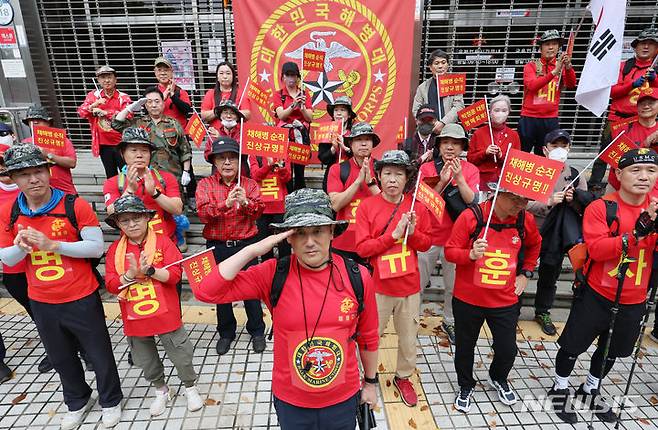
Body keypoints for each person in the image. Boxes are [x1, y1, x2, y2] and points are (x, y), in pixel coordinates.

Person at [191, 188, 379, 430]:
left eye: (318, 231)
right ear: (287, 237)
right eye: (299, 233)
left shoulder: (357, 276)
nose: (310, 242)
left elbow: (369, 337)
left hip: (342, 399)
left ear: (332, 231)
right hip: (292, 402)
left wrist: (371, 383)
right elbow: (205, 291)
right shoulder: (272, 274)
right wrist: (251, 250)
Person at [0, 144, 123, 429]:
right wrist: (23, 249)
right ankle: (77, 400)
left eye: (38, 171)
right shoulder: (9, 211)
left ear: (48, 171)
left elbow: (94, 248)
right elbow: (6, 257)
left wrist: (53, 245)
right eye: (24, 174)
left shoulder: (73, 204)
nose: (33, 179)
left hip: (81, 294)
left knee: (98, 352)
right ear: (13, 179)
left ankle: (110, 399)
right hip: (41, 299)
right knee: (60, 355)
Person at [548, 148, 658, 424]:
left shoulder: (656, 208)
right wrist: (636, 232)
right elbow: (597, 250)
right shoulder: (602, 207)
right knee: (573, 346)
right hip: (597, 293)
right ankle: (559, 387)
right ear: (619, 174)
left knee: (612, 350)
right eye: (636, 170)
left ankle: (590, 388)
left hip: (634, 298)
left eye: (651, 171)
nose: (643, 177)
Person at [445, 183, 541, 413]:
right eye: (516, 199)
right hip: (468, 299)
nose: (521, 205)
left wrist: (526, 273)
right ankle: (466, 384)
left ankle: (498, 377)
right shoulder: (471, 217)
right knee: (465, 347)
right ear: (497, 194)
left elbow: (536, 244)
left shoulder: (523, 219)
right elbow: (449, 251)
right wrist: (469, 254)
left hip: (505, 299)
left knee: (507, 349)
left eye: (526, 200)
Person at [104, 195, 203, 416]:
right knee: (146, 359)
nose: (132, 224)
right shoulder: (114, 251)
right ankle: (161, 390)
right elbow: (111, 285)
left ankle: (190, 387)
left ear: (147, 218)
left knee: (181, 353)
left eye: (136, 217)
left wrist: (150, 270)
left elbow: (176, 276)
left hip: (166, 312)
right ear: (118, 224)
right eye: (125, 220)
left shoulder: (163, 242)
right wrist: (129, 275)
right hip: (135, 316)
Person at [355, 150, 432, 407]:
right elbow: (362, 249)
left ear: (407, 178)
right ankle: (368, 377)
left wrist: (413, 232)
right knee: (371, 335)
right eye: (387, 173)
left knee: (408, 338)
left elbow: (426, 243)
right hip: (378, 287)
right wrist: (393, 235)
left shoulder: (415, 206)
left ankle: (404, 376)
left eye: (399, 174)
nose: (392, 179)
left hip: (409, 287)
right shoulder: (368, 206)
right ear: (377, 176)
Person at [195, 137, 267, 356]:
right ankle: (226, 333)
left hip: (246, 245)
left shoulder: (249, 184)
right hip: (218, 246)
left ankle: (257, 331)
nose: (227, 162)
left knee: (252, 290)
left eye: (232, 158)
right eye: (221, 158)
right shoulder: (205, 185)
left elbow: (259, 212)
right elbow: (203, 214)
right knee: (220, 290)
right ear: (214, 162)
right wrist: (225, 204)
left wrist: (246, 202)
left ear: (239, 161)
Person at [418, 124, 479, 344]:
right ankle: (412, 319)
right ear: (439, 145)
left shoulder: (471, 170)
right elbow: (423, 204)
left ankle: (449, 320)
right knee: (418, 283)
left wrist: (459, 177)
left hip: (457, 240)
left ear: (463, 146)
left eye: (455, 143)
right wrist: (442, 181)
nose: (450, 147)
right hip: (429, 236)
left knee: (453, 286)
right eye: (445, 142)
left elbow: (473, 202)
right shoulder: (426, 169)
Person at [527, 129, 590, 336]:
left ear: (569, 148)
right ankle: (511, 308)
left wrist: (575, 200)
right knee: (519, 269)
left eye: (564, 146)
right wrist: (547, 201)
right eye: (555, 146)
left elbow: (587, 208)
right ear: (545, 149)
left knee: (550, 273)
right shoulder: (532, 170)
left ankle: (542, 311)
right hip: (531, 229)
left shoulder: (575, 175)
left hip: (557, 233)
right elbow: (520, 202)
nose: (559, 150)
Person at [589, 28, 658, 191]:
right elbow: (611, 91)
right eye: (642, 43)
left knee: (640, 156)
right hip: (616, 119)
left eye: (650, 44)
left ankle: (636, 186)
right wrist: (631, 84)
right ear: (635, 47)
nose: (646, 47)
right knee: (605, 153)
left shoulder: (655, 71)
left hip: (641, 122)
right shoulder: (623, 66)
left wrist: (655, 81)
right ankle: (594, 187)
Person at [103, 128, 184, 243]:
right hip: (132, 244)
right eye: (133, 150)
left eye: (144, 151)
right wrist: (129, 191)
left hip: (165, 241)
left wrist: (155, 193)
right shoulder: (113, 182)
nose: (139, 155)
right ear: (122, 154)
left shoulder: (165, 178)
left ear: (150, 154)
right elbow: (111, 212)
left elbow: (177, 209)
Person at [112, 86, 192, 188]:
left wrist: (186, 171)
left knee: (174, 202)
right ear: (144, 105)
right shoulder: (138, 123)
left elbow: (185, 150)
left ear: (163, 103)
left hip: (172, 174)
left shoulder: (173, 123)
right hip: (145, 176)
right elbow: (116, 124)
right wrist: (130, 108)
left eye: (157, 101)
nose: (154, 105)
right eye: (149, 102)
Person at [327, 122, 381, 265]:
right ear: (350, 143)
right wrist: (358, 182)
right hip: (343, 242)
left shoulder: (383, 169)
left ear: (373, 143)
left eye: (367, 139)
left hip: (374, 240)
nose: (363, 143)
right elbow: (335, 205)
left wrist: (371, 183)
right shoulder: (337, 169)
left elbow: (391, 205)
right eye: (358, 139)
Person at [519, 30, 577, 155]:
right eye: (547, 44)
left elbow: (571, 84)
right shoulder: (531, 66)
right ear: (540, 48)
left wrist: (568, 67)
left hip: (550, 118)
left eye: (555, 44)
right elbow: (532, 86)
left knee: (546, 155)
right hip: (529, 117)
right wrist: (554, 72)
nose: (551, 47)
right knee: (522, 153)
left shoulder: (560, 66)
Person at [77, 65, 132, 178]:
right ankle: (114, 195)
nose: (106, 80)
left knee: (127, 173)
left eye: (109, 77)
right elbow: (81, 113)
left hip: (121, 143)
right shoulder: (93, 96)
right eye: (103, 77)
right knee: (110, 174)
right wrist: (93, 105)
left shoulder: (123, 97)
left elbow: (129, 115)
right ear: (98, 80)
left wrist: (106, 113)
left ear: (115, 79)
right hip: (103, 144)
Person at [607, 88, 658, 193]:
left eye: (651, 103)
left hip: (651, 189)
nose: (646, 106)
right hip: (618, 187)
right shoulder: (621, 128)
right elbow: (617, 161)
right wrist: (645, 146)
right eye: (642, 103)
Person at [466, 94, 521, 191]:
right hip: (481, 181)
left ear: (508, 112)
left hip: (504, 182)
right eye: (496, 110)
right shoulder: (479, 133)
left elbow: (517, 163)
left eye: (504, 110)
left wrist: (501, 155)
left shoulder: (513, 135)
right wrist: (485, 153)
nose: (500, 113)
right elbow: (470, 160)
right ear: (490, 112)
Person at [273, 61, 313, 191]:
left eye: (294, 75)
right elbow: (281, 115)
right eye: (288, 75)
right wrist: (293, 104)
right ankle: (287, 197)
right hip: (284, 138)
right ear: (283, 77)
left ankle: (301, 199)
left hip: (301, 138)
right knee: (286, 170)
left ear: (298, 77)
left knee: (300, 171)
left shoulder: (305, 94)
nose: (291, 78)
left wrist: (302, 108)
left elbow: (310, 118)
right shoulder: (278, 95)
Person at [22, 105, 77, 195]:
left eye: (39, 120)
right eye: (31, 120)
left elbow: (72, 163)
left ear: (48, 122)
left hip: (64, 191)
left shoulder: (60, 140)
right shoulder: (25, 143)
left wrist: (49, 155)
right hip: (38, 194)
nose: (35, 122)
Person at [249, 154, 292, 260]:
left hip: (280, 206)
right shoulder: (254, 154)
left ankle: (285, 268)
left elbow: (287, 178)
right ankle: (267, 269)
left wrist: (281, 166)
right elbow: (255, 176)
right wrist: (268, 165)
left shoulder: (283, 152)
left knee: (284, 242)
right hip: (262, 207)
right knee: (265, 243)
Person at [412, 49, 465, 134]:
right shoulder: (422, 87)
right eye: (436, 63)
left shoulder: (455, 83)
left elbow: (459, 107)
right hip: (429, 130)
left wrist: (443, 123)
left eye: (443, 62)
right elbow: (416, 110)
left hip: (450, 129)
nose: (440, 66)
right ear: (430, 67)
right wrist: (429, 123)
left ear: (448, 65)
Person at [318, 96, 356, 191]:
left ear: (349, 114)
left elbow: (361, 156)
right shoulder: (326, 132)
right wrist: (333, 149)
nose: (339, 113)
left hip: (352, 174)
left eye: (343, 110)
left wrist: (345, 147)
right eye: (336, 110)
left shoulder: (355, 133)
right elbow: (323, 159)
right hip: (332, 175)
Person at [201, 61, 251, 128]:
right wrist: (219, 109)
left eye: (228, 73)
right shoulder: (210, 93)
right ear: (217, 77)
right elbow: (204, 116)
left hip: (236, 135)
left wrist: (231, 109)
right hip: (215, 135)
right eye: (221, 73)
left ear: (233, 76)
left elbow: (247, 114)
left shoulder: (241, 93)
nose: (225, 76)